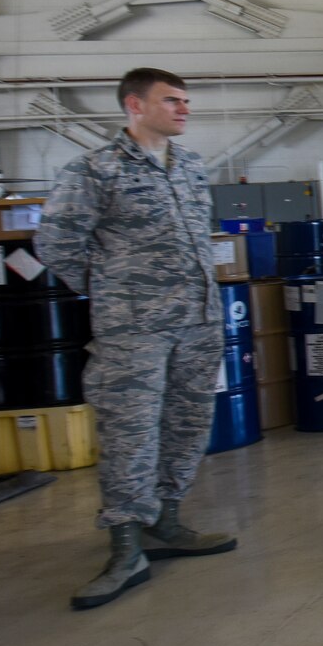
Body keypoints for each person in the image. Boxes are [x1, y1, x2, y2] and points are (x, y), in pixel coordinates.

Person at [39, 68, 237, 611]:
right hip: (134, 331)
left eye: (186, 101)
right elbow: (56, 241)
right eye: (171, 100)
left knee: (187, 420)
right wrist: (113, 294)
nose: (183, 109)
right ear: (134, 105)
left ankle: (166, 522)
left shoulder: (192, 167)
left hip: (198, 321)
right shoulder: (93, 170)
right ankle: (125, 547)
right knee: (130, 434)